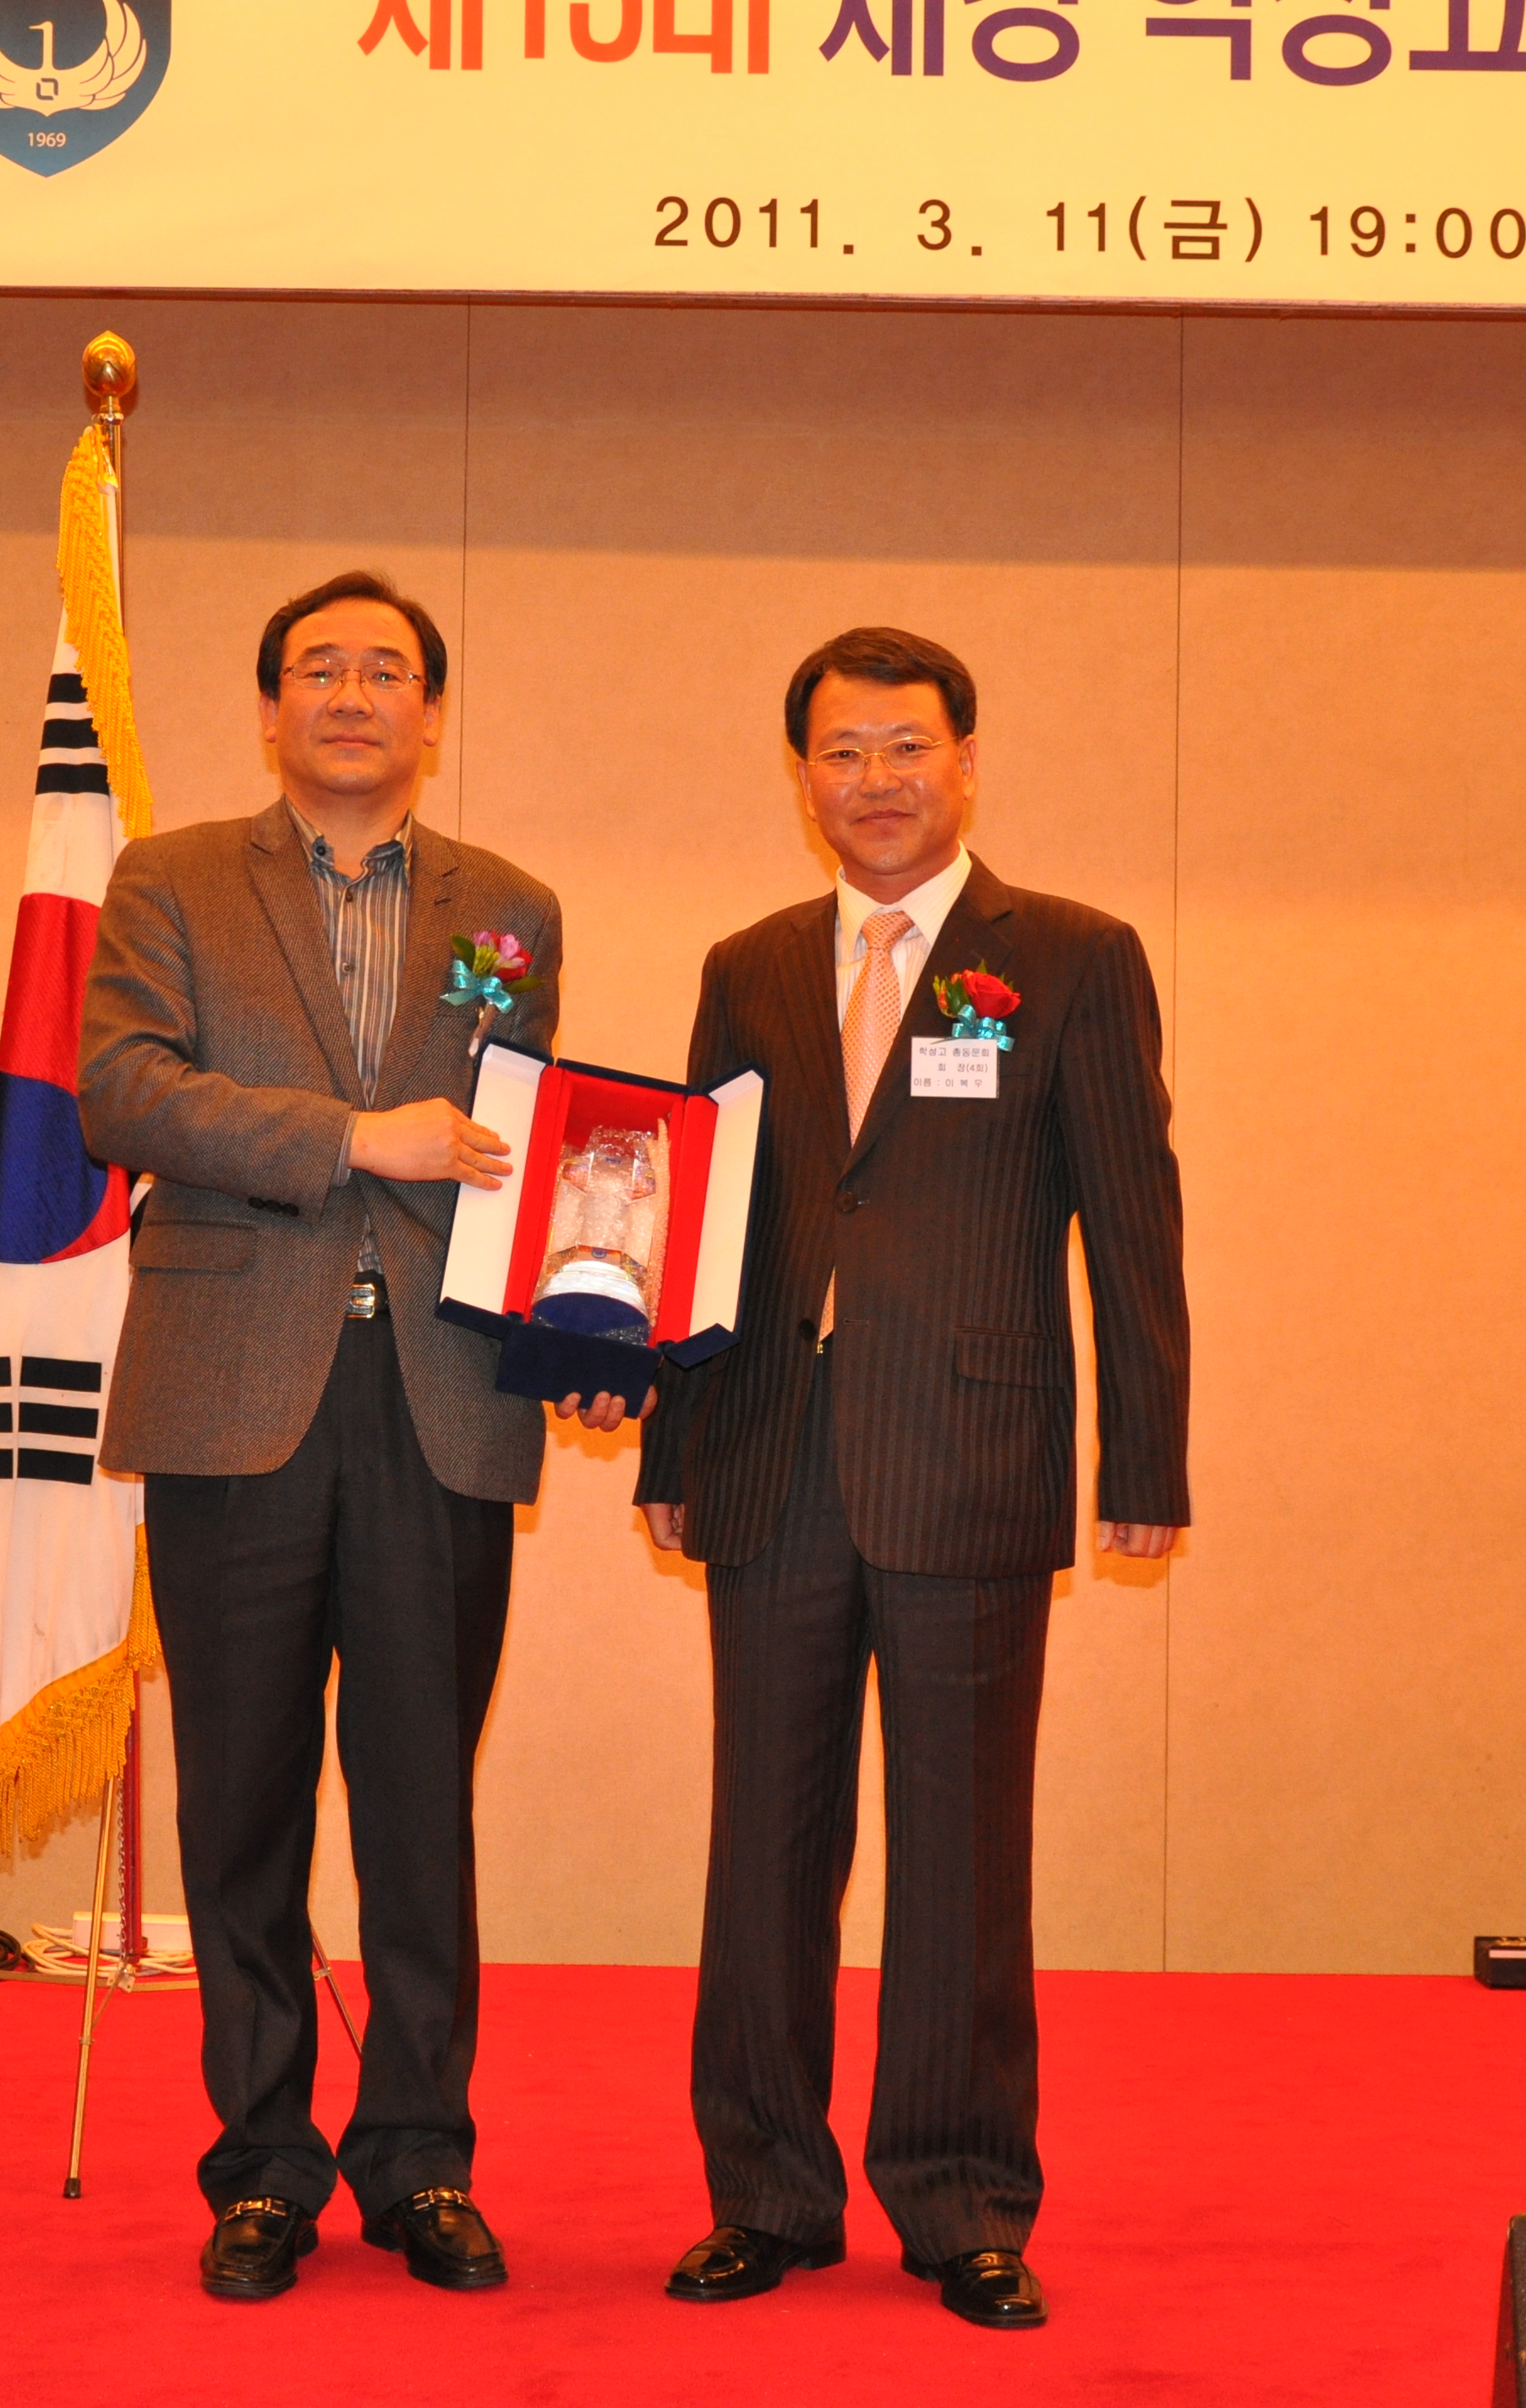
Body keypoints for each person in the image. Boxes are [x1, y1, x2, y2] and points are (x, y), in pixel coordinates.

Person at [633, 628, 1190, 2331]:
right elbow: (704, 1216)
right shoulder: (746, 966)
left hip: (970, 1458)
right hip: (769, 1461)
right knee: (763, 1845)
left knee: (961, 1853)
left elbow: (1131, 1217)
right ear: (799, 774)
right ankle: (764, 2192)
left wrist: (1143, 1451)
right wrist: (669, 1438)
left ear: (964, 760)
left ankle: (961, 2200)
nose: (872, 781)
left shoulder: (1072, 957)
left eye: (903, 747)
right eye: (840, 752)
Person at [79, 570, 617, 2304]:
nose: (352, 693)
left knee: (417, 1808)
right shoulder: (169, 879)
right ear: (268, 709)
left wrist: (590, 1327)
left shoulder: (508, 908)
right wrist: (349, 1137)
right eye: (319, 667)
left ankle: (418, 2158)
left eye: (387, 669)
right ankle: (259, 2167)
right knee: (238, 1804)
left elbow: (542, 1148)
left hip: (441, 1402)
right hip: (232, 1388)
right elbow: (122, 1090)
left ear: (428, 714)